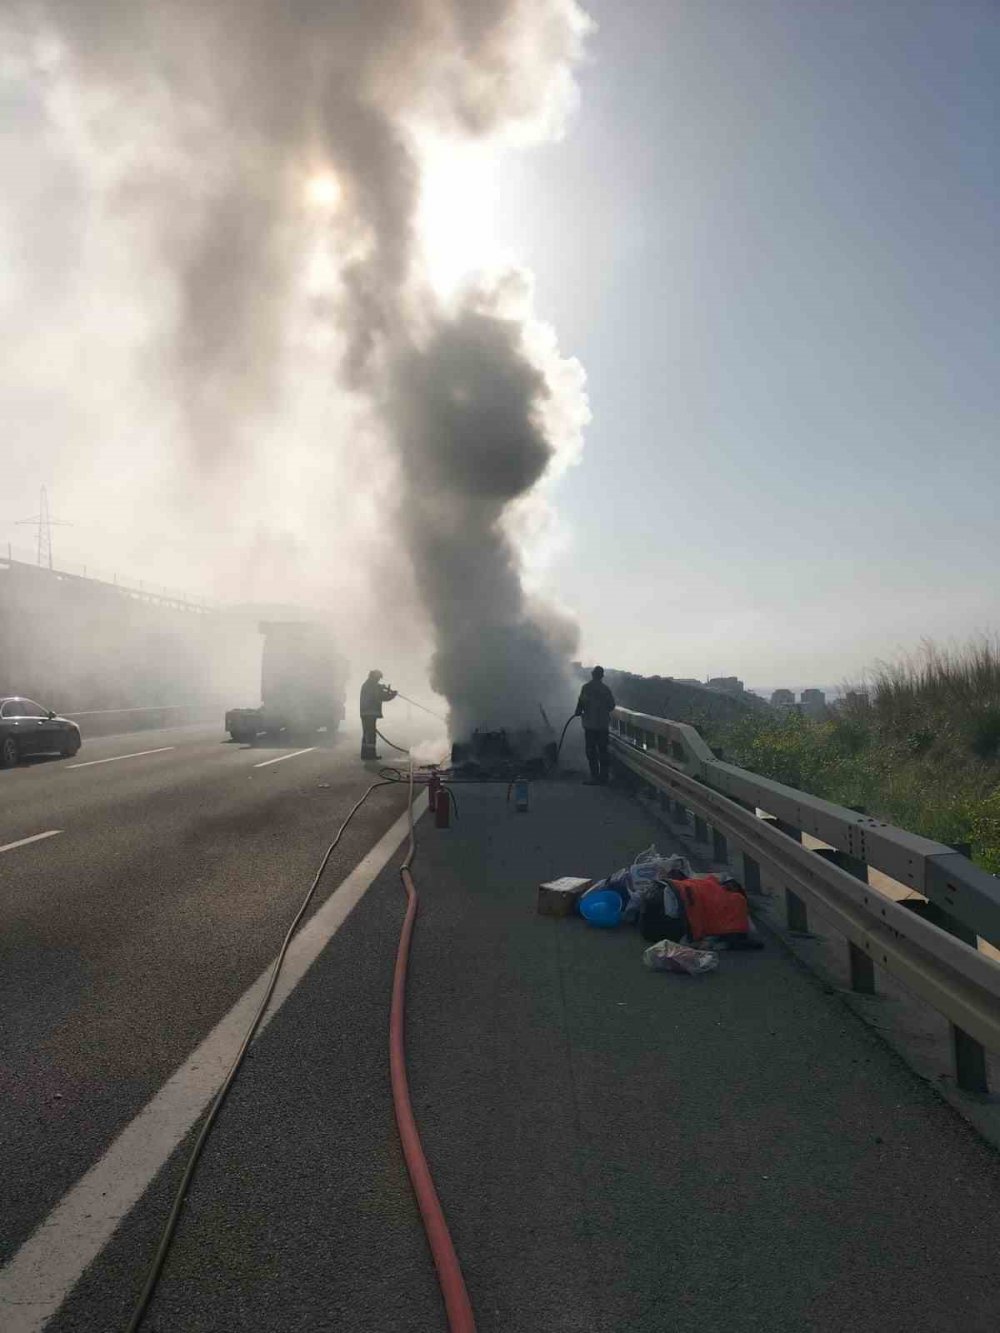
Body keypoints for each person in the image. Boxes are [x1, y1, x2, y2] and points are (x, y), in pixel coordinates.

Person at [575, 665, 615, 785]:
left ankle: (595, 777)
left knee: (591, 751)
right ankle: (604, 777)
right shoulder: (605, 689)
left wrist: (578, 712)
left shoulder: (586, 688)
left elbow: (580, 704)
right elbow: (612, 706)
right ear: (602, 676)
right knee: (603, 751)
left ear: (592, 675)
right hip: (603, 726)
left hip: (590, 726)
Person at [359, 669, 397, 760]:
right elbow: (381, 696)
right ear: (375, 677)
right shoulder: (372, 686)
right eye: (378, 678)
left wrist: (384, 689)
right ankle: (371, 755)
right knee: (371, 735)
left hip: (365, 713)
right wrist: (392, 695)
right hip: (370, 713)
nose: (379, 680)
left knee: (366, 734)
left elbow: (378, 691)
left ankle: (365, 754)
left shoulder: (368, 684)